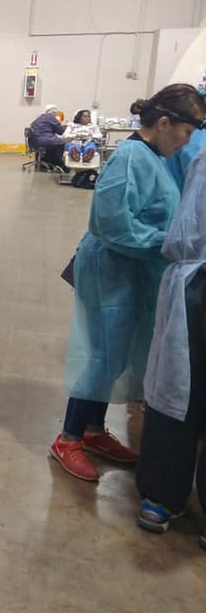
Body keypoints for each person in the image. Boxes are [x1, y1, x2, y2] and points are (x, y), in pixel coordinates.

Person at [49, 84, 205, 483]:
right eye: (188, 131)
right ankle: (68, 437)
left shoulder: (156, 156)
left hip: (131, 270)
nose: (190, 141)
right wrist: (167, 244)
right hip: (110, 270)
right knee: (102, 355)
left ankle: (93, 430)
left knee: (117, 353)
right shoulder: (132, 158)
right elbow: (112, 224)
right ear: (166, 123)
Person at [136, 138, 206, 546]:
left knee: (180, 392)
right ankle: (162, 494)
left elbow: (185, 230)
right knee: (182, 387)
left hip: (194, 279)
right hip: (198, 283)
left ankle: (162, 495)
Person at [29, 104, 69, 171]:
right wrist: (66, 126)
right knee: (61, 143)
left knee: (53, 142)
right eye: (56, 113)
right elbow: (61, 131)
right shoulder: (51, 117)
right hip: (43, 140)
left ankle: (43, 163)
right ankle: (58, 164)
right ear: (54, 112)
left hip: (33, 141)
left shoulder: (40, 117)